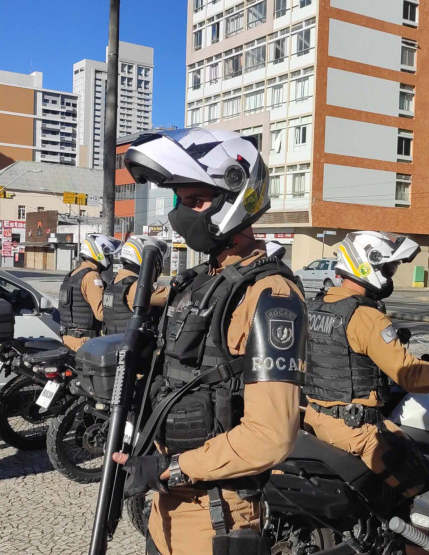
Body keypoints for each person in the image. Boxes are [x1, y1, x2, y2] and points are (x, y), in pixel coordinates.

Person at [113, 127, 307, 555]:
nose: (183, 214)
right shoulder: (199, 282)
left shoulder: (270, 295)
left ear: (235, 200)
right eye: (180, 201)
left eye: (196, 201)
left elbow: (271, 435)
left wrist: (173, 467)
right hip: (167, 504)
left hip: (216, 510)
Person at [303, 231, 429, 499]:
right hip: (357, 433)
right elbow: (412, 377)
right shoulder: (365, 316)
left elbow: (343, 361)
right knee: (428, 502)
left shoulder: (314, 307)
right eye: (388, 268)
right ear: (368, 264)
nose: (390, 275)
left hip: (314, 420)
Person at [58, 234, 118, 351]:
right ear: (97, 252)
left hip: (69, 339)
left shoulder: (72, 274)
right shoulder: (91, 276)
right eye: (107, 254)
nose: (109, 258)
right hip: (83, 341)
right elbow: (101, 313)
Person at [102, 235, 170, 335]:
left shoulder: (115, 282)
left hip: (115, 343)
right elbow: (170, 296)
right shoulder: (137, 286)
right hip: (136, 347)